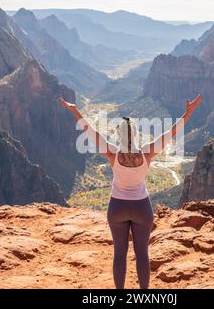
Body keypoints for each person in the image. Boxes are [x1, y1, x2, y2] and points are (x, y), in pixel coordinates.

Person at [59, 94, 202, 289]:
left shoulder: (112, 153)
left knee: (120, 252)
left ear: (119, 135)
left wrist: (74, 110)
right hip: (141, 208)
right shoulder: (147, 152)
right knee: (142, 252)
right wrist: (188, 113)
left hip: (116, 207)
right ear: (134, 134)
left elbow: (90, 131)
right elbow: (171, 133)